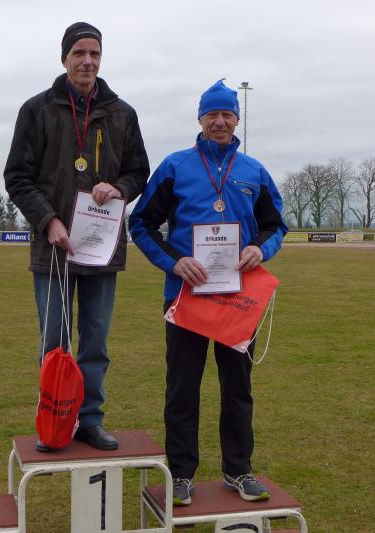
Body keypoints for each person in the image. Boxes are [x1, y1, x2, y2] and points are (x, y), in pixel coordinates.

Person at [129, 80, 287, 504]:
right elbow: (140, 223)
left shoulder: (254, 172)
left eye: (227, 115)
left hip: (238, 299)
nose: (219, 122)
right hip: (187, 296)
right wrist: (173, 262)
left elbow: (276, 226)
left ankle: (238, 470)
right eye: (211, 114)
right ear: (199, 119)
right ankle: (181, 474)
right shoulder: (175, 166)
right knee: (182, 388)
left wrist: (260, 248)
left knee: (238, 388)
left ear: (237, 119)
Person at [4, 22, 149, 452]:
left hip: (101, 250)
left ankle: (90, 420)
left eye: (95, 54)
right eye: (79, 53)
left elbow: (139, 171)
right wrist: (48, 221)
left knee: (96, 342)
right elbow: (17, 177)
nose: (88, 61)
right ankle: (55, 421)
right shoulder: (37, 110)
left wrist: (119, 188)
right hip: (53, 248)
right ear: (64, 57)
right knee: (55, 342)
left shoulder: (122, 113)